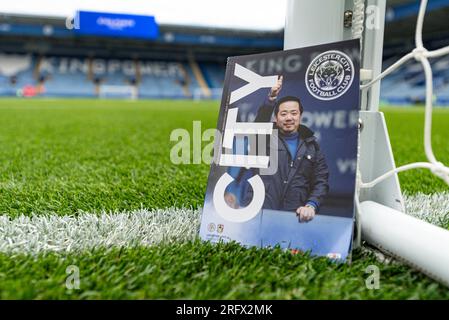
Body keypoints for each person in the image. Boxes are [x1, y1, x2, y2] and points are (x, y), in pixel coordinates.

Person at [243, 76, 329, 223]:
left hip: (293, 217)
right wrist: (271, 98)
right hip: (259, 213)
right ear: (275, 118)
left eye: (294, 113)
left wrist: (311, 205)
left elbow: (321, 181)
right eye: (283, 114)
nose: (289, 117)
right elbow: (260, 123)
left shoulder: (312, 146)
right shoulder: (264, 137)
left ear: (300, 116)